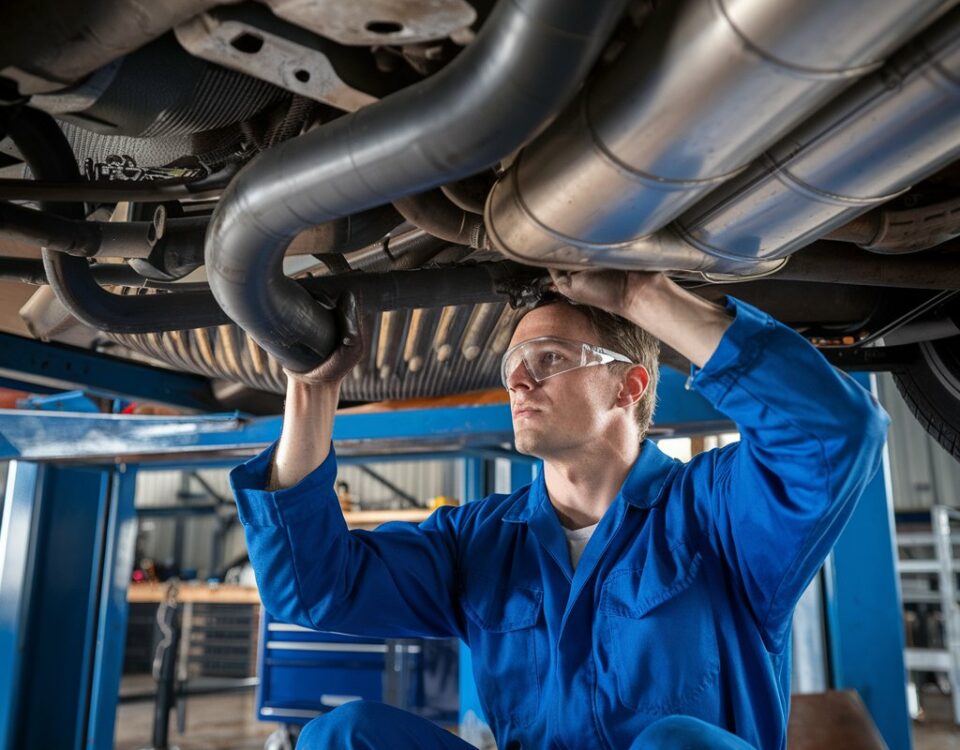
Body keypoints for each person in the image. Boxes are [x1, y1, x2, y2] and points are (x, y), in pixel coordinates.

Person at [230, 270, 889, 749]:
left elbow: (836, 433)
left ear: (630, 384)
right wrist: (312, 396)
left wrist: (642, 294)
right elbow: (309, 588)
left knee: (676, 745)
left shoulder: (715, 514)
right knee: (343, 736)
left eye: (549, 359)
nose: (518, 380)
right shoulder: (481, 541)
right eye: (515, 362)